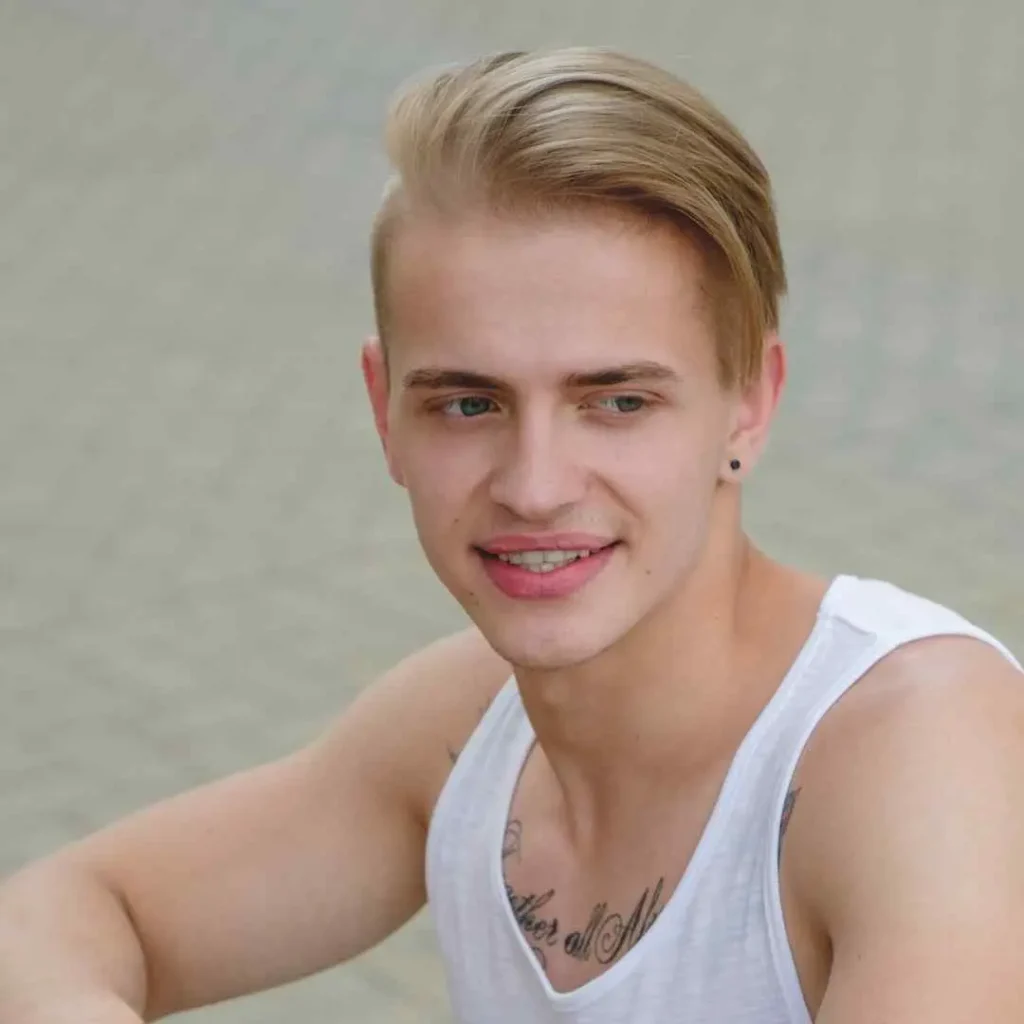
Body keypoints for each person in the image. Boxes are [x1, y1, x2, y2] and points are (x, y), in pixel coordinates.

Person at [0, 47, 1021, 1024]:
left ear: (748, 403)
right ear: (383, 409)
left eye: (616, 402)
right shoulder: (462, 730)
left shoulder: (919, 751)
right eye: (468, 404)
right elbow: (76, 913)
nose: (534, 488)